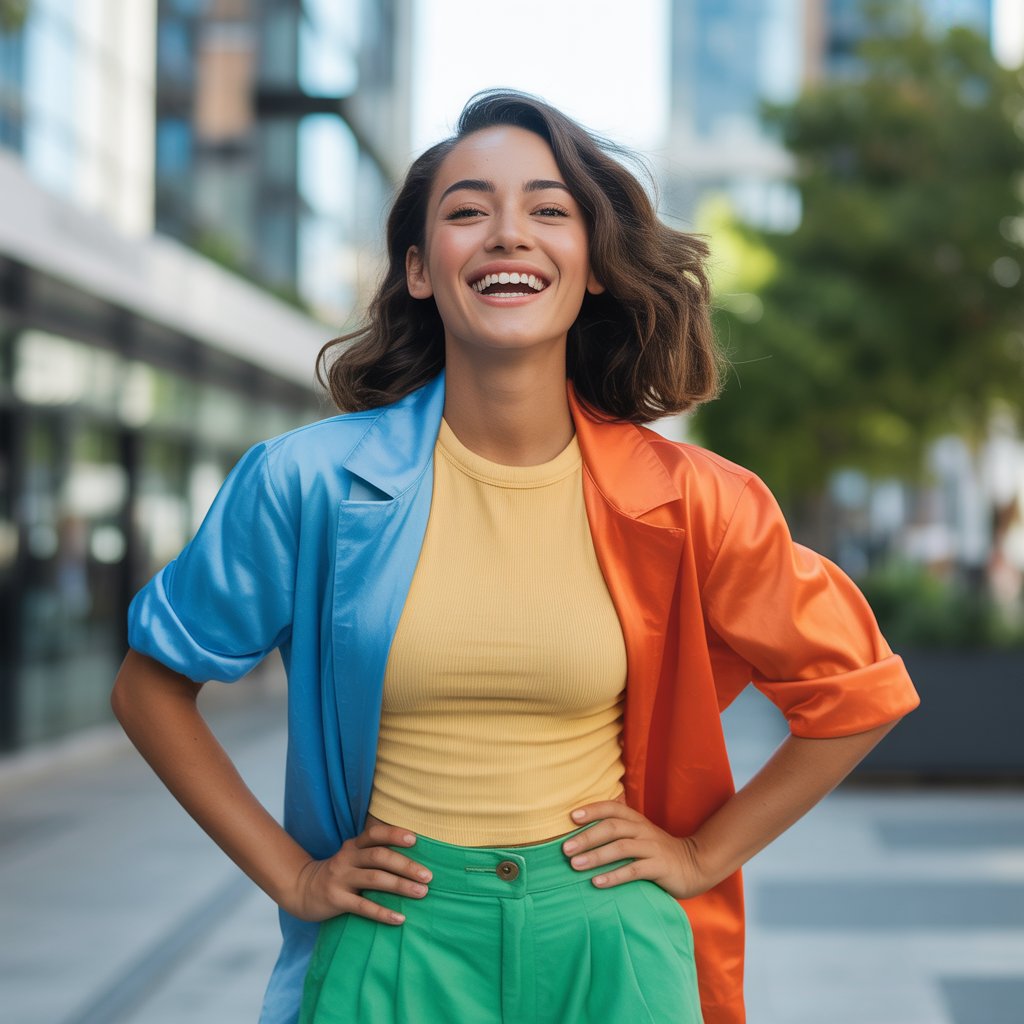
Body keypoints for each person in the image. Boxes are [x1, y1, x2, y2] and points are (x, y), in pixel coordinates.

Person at [112, 90, 920, 1024]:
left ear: (596, 266)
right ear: (421, 269)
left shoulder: (695, 499)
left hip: (610, 947)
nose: (507, 235)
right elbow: (150, 686)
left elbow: (857, 693)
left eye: (548, 210)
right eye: (466, 212)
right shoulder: (307, 483)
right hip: (395, 943)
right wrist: (293, 877)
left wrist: (701, 857)